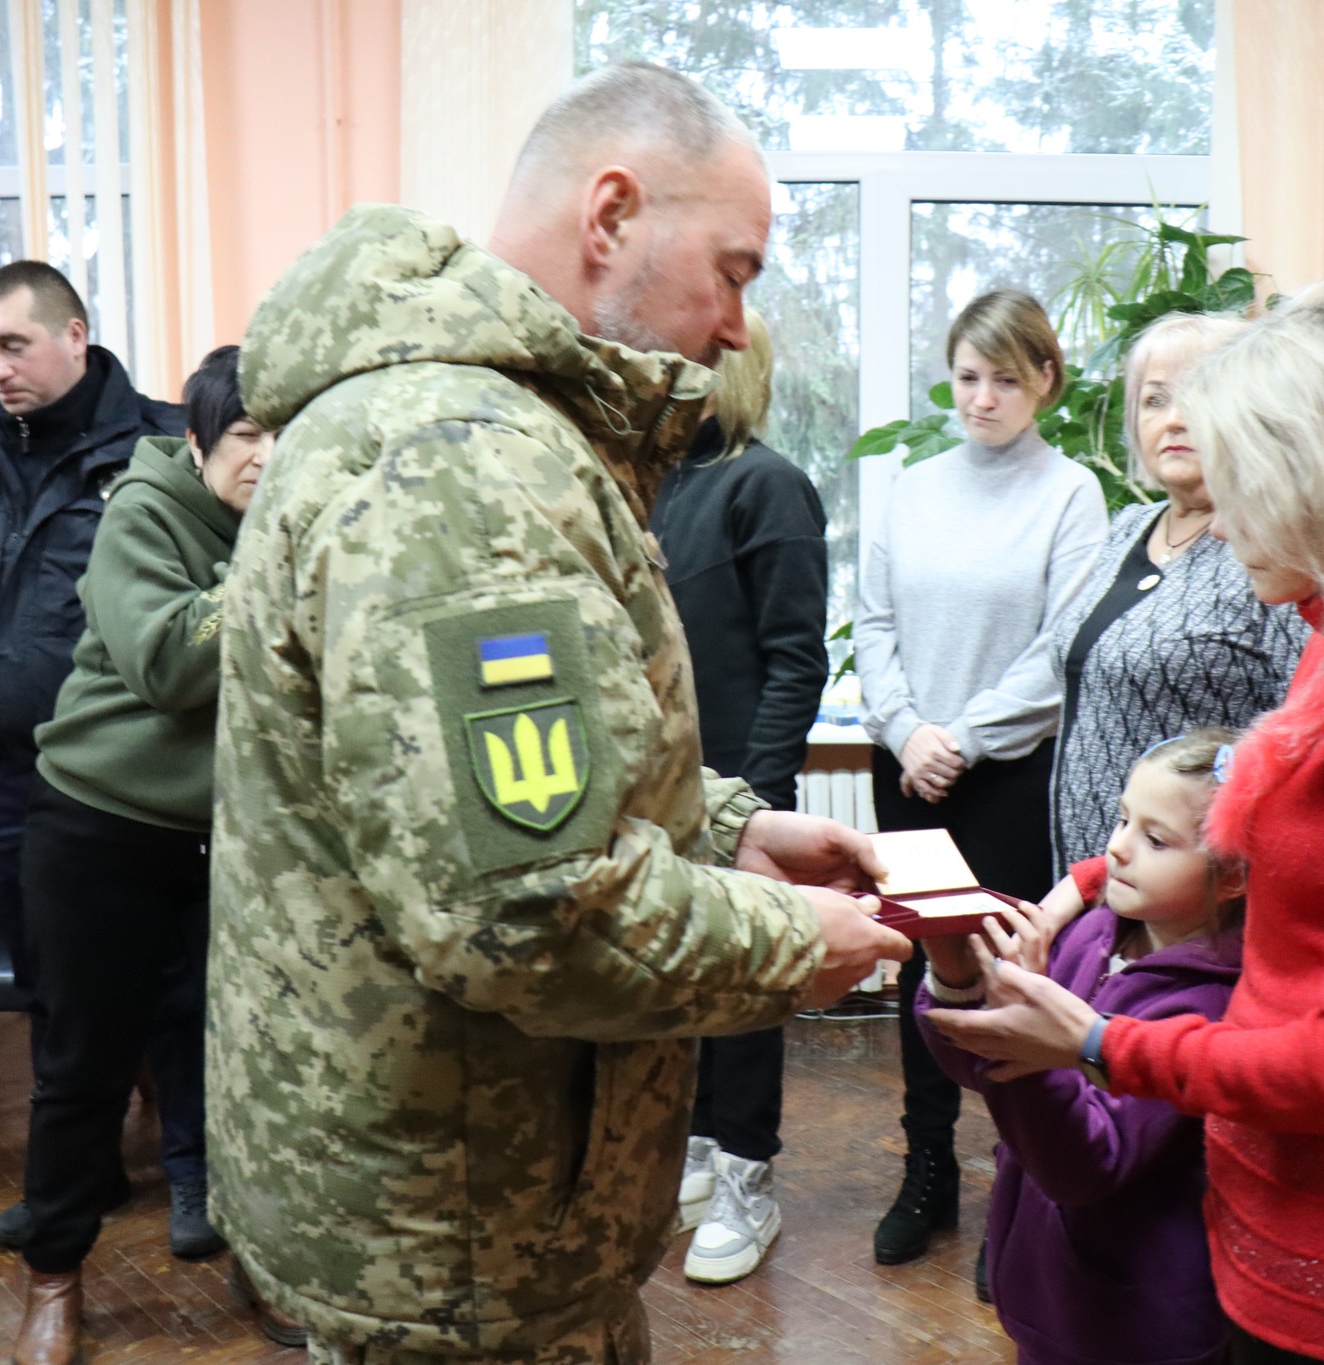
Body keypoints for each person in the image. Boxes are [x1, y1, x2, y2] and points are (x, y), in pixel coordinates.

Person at [209, 62, 910, 1365]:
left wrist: (729, 833)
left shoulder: (487, 431)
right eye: (736, 269)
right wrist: (781, 941)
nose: (739, 328)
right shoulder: (460, 464)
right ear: (611, 218)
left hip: (482, 1192)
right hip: (468, 1235)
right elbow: (521, 915)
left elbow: (544, 790)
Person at [930, 274, 1324, 1365]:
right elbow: (1248, 828)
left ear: (1312, 482)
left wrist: (1093, 1041)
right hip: (1258, 1176)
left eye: (1240, 486)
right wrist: (1087, 884)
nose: (1217, 519)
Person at [0, 262, 198, 1250]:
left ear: (74, 335)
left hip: (128, 768)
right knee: (49, 983)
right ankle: (81, 1180)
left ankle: (194, 1177)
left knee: (170, 976)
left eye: (13, 345)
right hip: (0, 766)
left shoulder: (161, 445)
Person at [5, 347, 274, 1365]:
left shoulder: (300, 526)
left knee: (250, 1068)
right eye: (246, 432)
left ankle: (264, 1257)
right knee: (82, 1069)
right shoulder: (143, 510)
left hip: (236, 838)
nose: (266, 455)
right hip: (100, 824)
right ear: (199, 439)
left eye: (286, 433)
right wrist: (292, 568)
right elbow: (165, 661)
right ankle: (52, 1276)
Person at [853, 287, 1107, 1268]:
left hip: (1003, 774)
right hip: (909, 771)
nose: (984, 398)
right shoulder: (912, 488)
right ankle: (926, 1172)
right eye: (968, 376)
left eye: (1006, 378)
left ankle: (1019, 1194)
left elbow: (1058, 648)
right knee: (923, 968)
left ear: (1044, 379)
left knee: (1003, 973)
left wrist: (960, 733)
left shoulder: (1069, 494)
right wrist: (908, 730)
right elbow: (871, 624)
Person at [919, 730, 1244, 1365]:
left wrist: (1027, 1032)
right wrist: (956, 979)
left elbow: (1087, 1164)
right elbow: (979, 1069)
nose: (1117, 850)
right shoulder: (1095, 932)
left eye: (1155, 840)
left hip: (1133, 1321)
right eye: (1122, 820)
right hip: (1047, 1287)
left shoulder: (1209, 1007)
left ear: (1231, 874)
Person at [651, 310, 828, 1285]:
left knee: (747, 987)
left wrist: (753, 800)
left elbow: (794, 658)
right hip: (662, 792)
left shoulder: (770, 486)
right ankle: (698, 1145)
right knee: (680, 978)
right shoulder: (653, 484)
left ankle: (745, 1176)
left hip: (743, 795)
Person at [1048, 313, 1308, 873]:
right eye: (1154, 400)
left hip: (1198, 889)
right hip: (1095, 876)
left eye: (1197, 396)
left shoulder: (1271, 545)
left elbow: (1301, 730)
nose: (1173, 420)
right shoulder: (1127, 529)